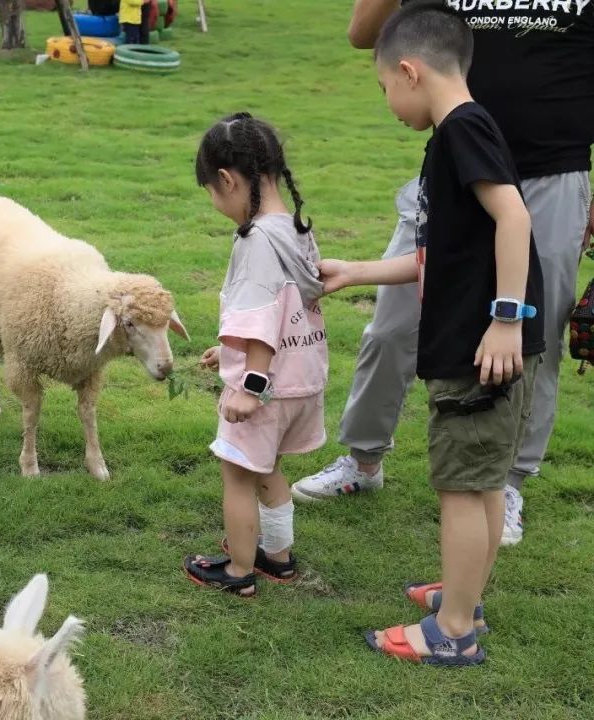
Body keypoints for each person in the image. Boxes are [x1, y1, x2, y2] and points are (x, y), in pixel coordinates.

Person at [293, 0, 594, 547]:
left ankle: (507, 484)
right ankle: (363, 459)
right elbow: (365, 34)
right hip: (455, 167)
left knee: (535, 338)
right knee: (389, 327)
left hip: (554, 172)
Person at [324, 4, 544, 663]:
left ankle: (452, 632)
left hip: (479, 350)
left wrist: (506, 320)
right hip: (481, 345)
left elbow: (515, 218)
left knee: (461, 485)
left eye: (385, 86)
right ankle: (463, 594)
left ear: (411, 71)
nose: (388, 101)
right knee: (477, 482)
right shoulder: (460, 134)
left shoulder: (462, 131)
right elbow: (441, 251)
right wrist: (358, 271)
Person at [182, 113, 326, 598]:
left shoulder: (255, 240)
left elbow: (262, 317)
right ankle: (278, 557)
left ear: (227, 180)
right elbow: (286, 307)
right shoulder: (296, 228)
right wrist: (227, 349)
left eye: (212, 192)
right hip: (302, 377)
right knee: (268, 469)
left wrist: (251, 384)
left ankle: (240, 570)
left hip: (267, 385)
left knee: (238, 474)